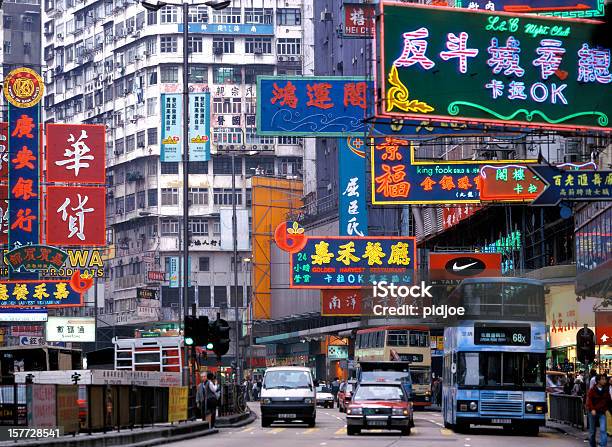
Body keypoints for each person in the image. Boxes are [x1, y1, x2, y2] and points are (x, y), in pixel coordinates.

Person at [586, 374, 611, 447]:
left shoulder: (606, 390)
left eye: (605, 379)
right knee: (592, 432)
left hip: (602, 412)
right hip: (592, 412)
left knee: (603, 430)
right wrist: (592, 409)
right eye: (602, 379)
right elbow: (589, 401)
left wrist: (608, 409)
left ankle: (603, 445)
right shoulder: (592, 390)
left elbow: (609, 401)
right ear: (598, 381)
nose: (604, 381)